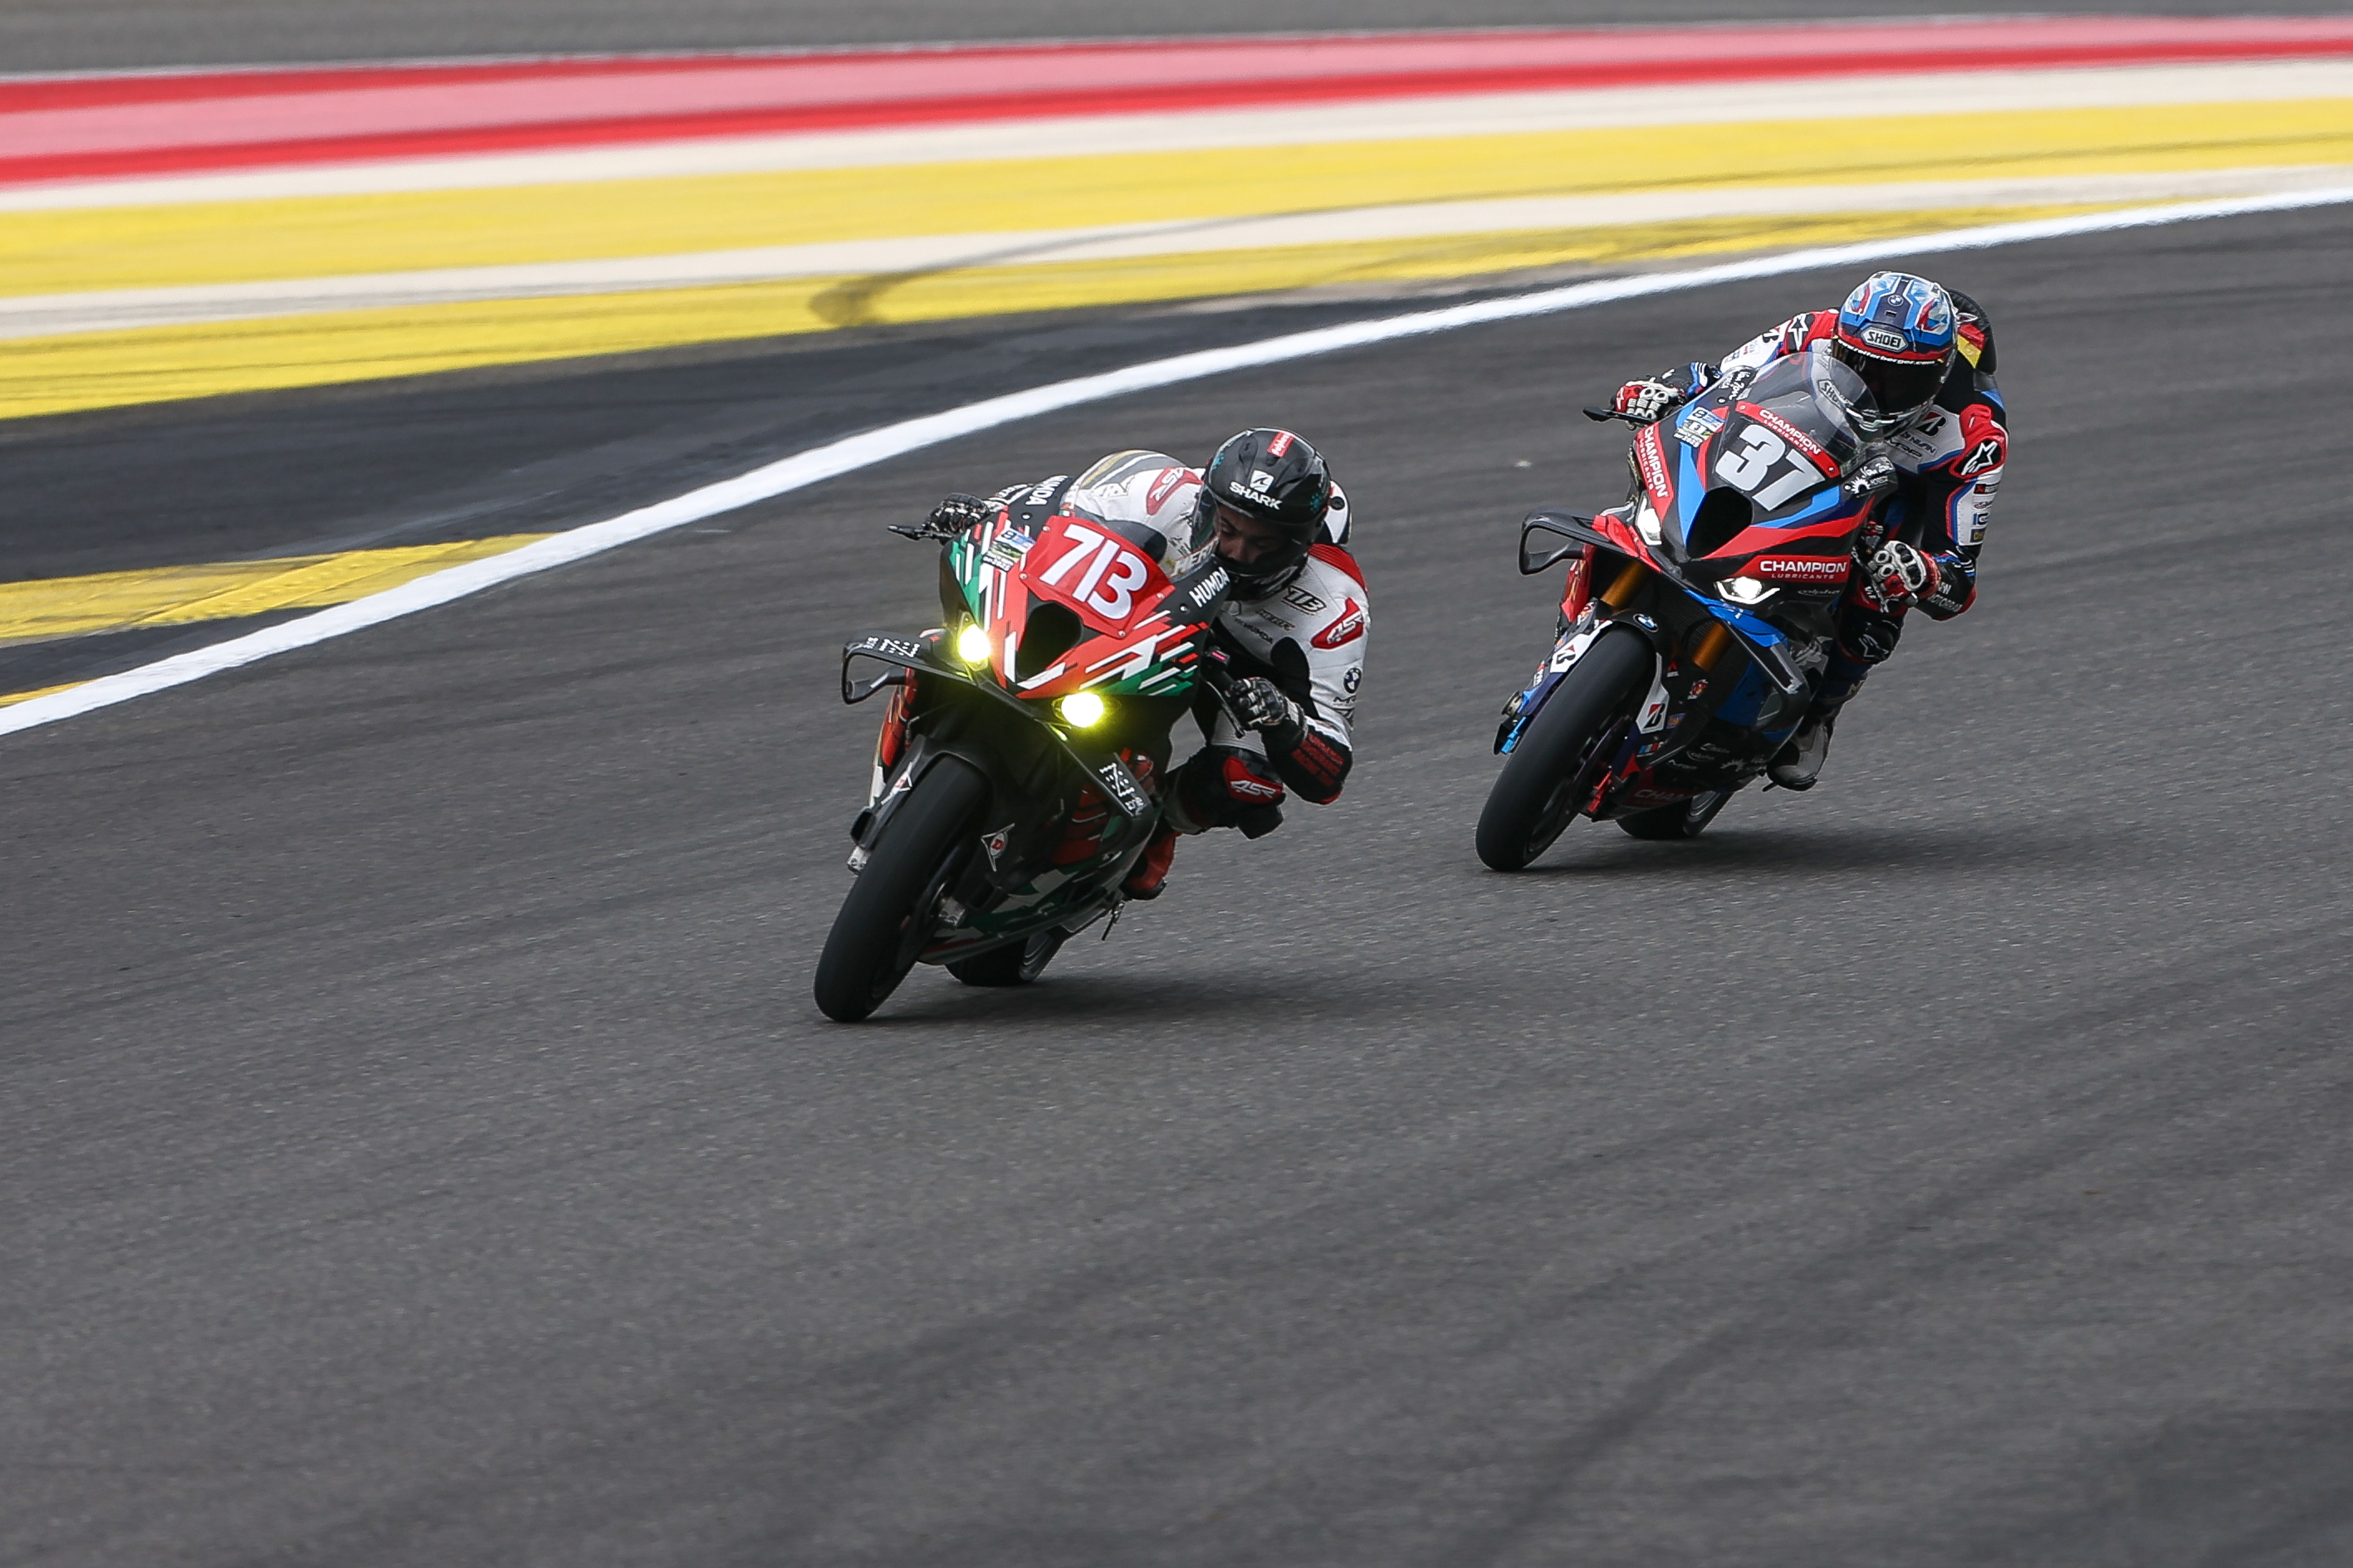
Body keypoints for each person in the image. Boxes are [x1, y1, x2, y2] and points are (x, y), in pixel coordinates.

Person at [914, 427, 1367, 898]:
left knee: (1244, 777)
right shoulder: (1164, 491)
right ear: (1207, 503)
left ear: (1299, 543)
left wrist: (1283, 717)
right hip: (1141, 616)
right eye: (1228, 529)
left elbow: (1330, 770)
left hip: (1238, 672)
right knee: (949, 644)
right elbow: (1052, 507)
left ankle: (1155, 830)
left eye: (1264, 544)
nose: (1236, 552)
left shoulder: (1334, 610)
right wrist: (988, 513)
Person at [1607, 270, 2008, 789]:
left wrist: (1922, 574)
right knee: (1674, 470)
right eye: (1859, 367)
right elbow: (1716, 378)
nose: (1875, 389)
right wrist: (1661, 390)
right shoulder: (1811, 330)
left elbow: (1958, 578)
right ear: (1839, 343)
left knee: (1878, 593)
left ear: (1938, 375)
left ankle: (1819, 712)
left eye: (1898, 380)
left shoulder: (1975, 434)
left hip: (1889, 494)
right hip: (1798, 445)